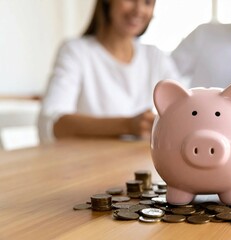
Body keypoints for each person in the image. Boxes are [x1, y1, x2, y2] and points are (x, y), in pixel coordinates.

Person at [38, 0, 178, 143]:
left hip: (137, 160)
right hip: (87, 161)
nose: (139, 10)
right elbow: (50, 123)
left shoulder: (155, 57)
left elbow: (184, 106)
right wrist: (128, 125)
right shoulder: (76, 51)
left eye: (147, 2)